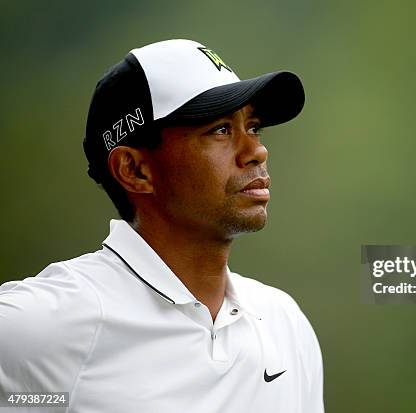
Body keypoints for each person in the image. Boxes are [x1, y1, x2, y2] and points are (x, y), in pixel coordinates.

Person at [0, 39, 324, 413]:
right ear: (135, 170)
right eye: (220, 129)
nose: (256, 151)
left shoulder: (284, 323)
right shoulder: (46, 324)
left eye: (253, 127)